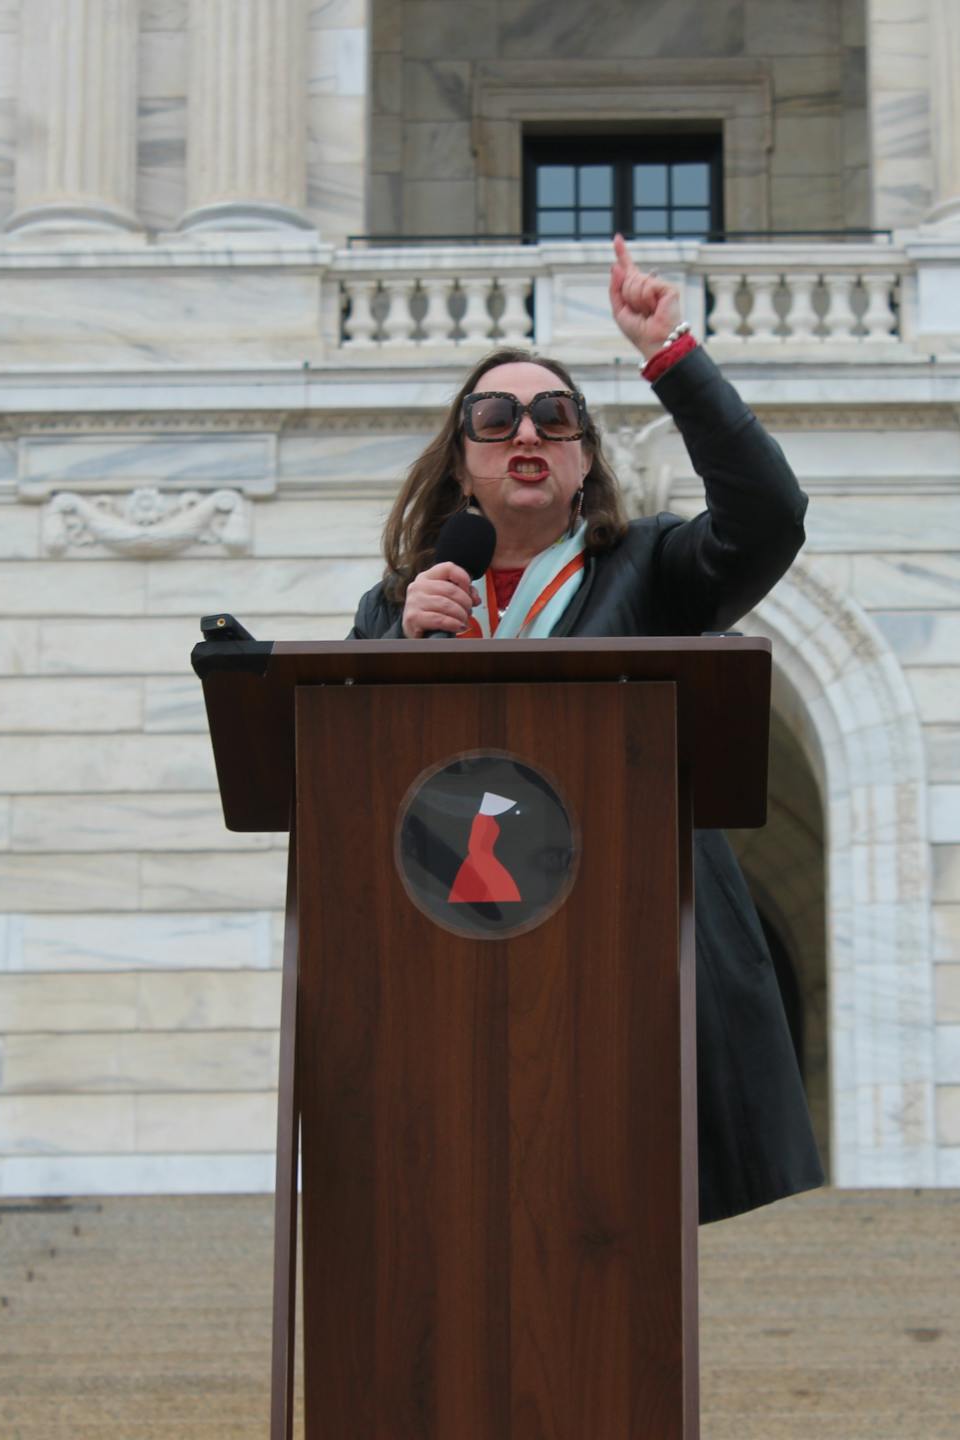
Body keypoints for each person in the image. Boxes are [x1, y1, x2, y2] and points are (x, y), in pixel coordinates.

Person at [348, 236, 823, 1224]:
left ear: (583, 462)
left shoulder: (649, 572)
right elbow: (350, 799)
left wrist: (671, 356)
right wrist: (405, 656)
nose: (528, 429)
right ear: (463, 464)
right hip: (458, 970)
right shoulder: (400, 608)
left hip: (625, 972)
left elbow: (771, 516)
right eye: (497, 415)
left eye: (555, 416)